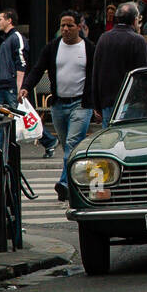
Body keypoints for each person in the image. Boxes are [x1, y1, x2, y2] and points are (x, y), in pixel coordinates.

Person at [26, 10, 96, 201]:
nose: (65, 29)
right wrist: (25, 88)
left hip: (81, 104)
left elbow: (96, 76)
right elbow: (37, 69)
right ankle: (77, 183)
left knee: (73, 144)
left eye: (70, 26)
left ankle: (64, 183)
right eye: (62, 26)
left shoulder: (89, 48)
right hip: (58, 105)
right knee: (69, 148)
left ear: (79, 28)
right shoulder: (53, 47)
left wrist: (96, 102)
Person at [92, 1, 147, 126]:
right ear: (135, 20)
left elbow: (96, 72)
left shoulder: (104, 38)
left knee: (111, 141)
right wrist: (146, 104)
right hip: (132, 102)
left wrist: (96, 104)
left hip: (108, 102)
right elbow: (143, 75)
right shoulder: (138, 40)